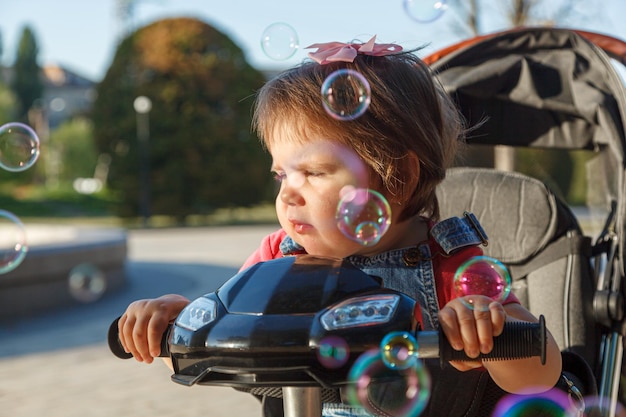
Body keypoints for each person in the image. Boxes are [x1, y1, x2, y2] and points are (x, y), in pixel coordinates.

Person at [118, 35, 563, 416]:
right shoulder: (279, 257)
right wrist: (175, 325)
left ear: (398, 177)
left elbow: (541, 372)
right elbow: (224, 342)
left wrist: (490, 326)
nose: (288, 194)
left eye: (312, 173)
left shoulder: (450, 264)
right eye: (281, 175)